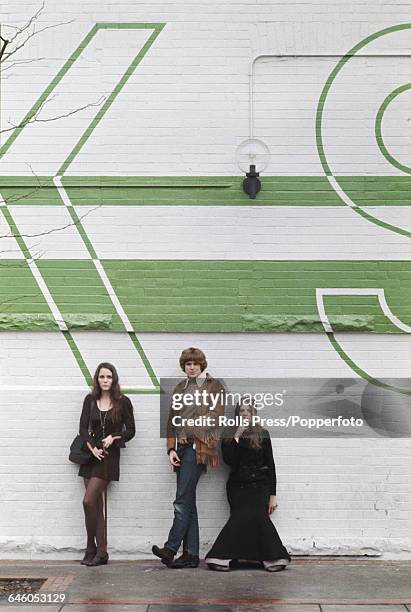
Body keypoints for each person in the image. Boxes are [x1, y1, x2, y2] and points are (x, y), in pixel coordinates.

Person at [152, 347, 225, 569]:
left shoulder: (214, 387)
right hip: (182, 450)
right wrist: (171, 448)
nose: (191, 367)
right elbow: (172, 420)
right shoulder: (179, 388)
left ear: (202, 364)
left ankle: (171, 548)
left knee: (182, 498)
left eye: (195, 363)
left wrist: (188, 429)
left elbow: (215, 418)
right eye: (187, 364)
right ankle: (191, 555)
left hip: (199, 448)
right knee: (188, 501)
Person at [205, 399, 291, 572]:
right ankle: (221, 557)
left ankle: (271, 558)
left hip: (260, 486)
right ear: (237, 414)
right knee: (241, 515)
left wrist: (272, 496)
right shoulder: (229, 433)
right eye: (241, 410)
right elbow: (229, 460)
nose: (244, 413)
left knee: (259, 516)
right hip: (238, 486)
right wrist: (237, 436)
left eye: (248, 410)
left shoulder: (263, 433)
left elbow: (271, 466)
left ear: (253, 414)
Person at [78, 362, 135, 566]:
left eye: (108, 377)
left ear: (114, 379)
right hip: (91, 456)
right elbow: (83, 429)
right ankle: (98, 551)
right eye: (102, 377)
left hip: (109, 458)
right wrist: (92, 448)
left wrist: (114, 437)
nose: (105, 381)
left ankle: (92, 547)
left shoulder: (123, 402)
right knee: (94, 505)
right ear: (97, 379)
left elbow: (131, 430)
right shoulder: (90, 400)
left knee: (88, 501)